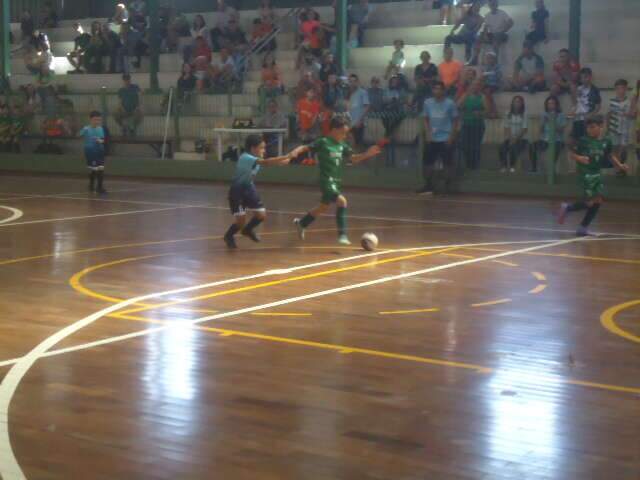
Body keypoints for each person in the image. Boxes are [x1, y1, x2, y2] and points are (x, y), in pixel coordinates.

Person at [294, 116, 383, 245]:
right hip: (326, 180)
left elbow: (353, 159)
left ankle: (302, 223)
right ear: (334, 130)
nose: (345, 135)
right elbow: (305, 148)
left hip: (336, 181)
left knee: (323, 207)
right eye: (343, 132)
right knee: (342, 202)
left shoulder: (342, 145)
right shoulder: (323, 142)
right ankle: (342, 235)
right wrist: (294, 152)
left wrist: (367, 154)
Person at [224, 135, 307, 249]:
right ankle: (228, 236)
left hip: (249, 188)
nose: (264, 150)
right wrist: (287, 155)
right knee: (240, 222)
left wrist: (289, 157)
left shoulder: (256, 158)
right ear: (253, 148)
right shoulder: (246, 157)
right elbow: (266, 162)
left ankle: (247, 230)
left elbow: (276, 162)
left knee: (261, 215)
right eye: (261, 148)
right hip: (237, 191)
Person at [557, 116, 629, 236]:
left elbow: (610, 156)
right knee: (592, 201)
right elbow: (571, 154)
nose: (590, 130)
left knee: (598, 201)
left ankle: (582, 226)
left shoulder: (606, 141)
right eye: (588, 128)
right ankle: (569, 209)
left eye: (593, 127)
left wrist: (620, 165)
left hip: (596, 173)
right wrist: (579, 158)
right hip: (586, 173)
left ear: (601, 126)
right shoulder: (583, 141)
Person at [418, 80, 460, 195]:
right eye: (435, 88)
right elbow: (425, 119)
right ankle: (428, 186)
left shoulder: (450, 103)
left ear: (444, 90)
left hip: (446, 138)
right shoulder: (427, 103)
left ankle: (447, 187)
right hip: (431, 138)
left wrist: (451, 137)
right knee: (427, 163)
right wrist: (428, 133)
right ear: (432, 90)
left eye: (439, 88)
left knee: (448, 164)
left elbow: (456, 121)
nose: (437, 91)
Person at [457, 77, 488, 170]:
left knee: (475, 147)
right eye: (473, 85)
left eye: (477, 85)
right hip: (466, 124)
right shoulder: (465, 95)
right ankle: (468, 165)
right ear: (470, 86)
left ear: (480, 87)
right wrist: (466, 95)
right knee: (464, 146)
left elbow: (488, 111)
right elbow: (458, 106)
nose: (475, 87)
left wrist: (480, 113)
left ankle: (475, 167)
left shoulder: (483, 97)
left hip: (478, 125)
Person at [531, 95, 566, 173]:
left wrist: (552, 121)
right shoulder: (544, 114)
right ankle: (534, 168)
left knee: (556, 148)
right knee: (532, 146)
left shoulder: (561, 115)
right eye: (549, 103)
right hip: (545, 140)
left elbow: (561, 131)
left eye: (552, 103)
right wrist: (543, 122)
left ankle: (551, 169)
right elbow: (541, 131)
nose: (550, 105)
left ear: (556, 105)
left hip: (557, 140)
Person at [473, 0, 513, 65]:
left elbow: (511, 22)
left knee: (496, 37)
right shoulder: (487, 15)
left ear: (497, 4)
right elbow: (486, 27)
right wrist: (484, 35)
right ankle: (475, 58)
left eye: (494, 3)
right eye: (491, 4)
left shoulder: (502, 13)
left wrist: (503, 30)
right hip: (492, 34)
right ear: (489, 5)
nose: (492, 5)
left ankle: (494, 62)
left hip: (501, 34)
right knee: (478, 37)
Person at [606, 79, 633, 173]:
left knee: (623, 148)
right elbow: (608, 115)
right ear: (615, 89)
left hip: (625, 129)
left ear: (626, 89)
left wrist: (630, 115)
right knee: (614, 148)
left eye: (622, 88)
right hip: (614, 129)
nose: (620, 90)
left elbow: (633, 115)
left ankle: (620, 166)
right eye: (618, 88)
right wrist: (607, 128)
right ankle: (617, 167)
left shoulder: (629, 102)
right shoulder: (612, 101)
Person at [79, 111, 107, 194]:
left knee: (101, 169)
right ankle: (91, 185)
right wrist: (83, 131)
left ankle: (99, 187)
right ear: (91, 120)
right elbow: (79, 135)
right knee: (94, 170)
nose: (97, 122)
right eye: (95, 120)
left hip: (100, 151)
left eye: (99, 120)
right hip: (90, 152)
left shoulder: (100, 128)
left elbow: (102, 139)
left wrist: (100, 141)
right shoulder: (86, 128)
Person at [570, 67, 601, 144]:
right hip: (578, 119)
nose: (584, 80)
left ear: (590, 77)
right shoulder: (578, 88)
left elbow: (598, 106)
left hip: (588, 120)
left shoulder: (595, 90)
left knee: (588, 141)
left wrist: (591, 115)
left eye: (586, 77)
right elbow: (575, 103)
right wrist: (574, 93)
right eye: (582, 78)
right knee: (576, 141)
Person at [500, 96, 528, 173]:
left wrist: (516, 139)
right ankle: (504, 166)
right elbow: (506, 127)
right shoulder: (508, 113)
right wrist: (511, 138)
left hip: (522, 139)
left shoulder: (524, 114)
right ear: (512, 103)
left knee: (514, 147)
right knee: (502, 147)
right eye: (515, 101)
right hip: (510, 138)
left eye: (519, 101)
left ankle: (512, 166)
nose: (517, 103)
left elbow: (524, 129)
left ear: (522, 103)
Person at [347, 74, 370, 149]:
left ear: (358, 82)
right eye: (350, 81)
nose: (352, 83)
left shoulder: (362, 92)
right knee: (350, 146)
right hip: (349, 123)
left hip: (358, 123)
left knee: (358, 146)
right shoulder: (348, 93)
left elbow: (367, 107)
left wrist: (360, 121)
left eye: (354, 81)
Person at [480, 51, 501, 117]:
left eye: (490, 58)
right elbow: (482, 76)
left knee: (487, 92)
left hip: (495, 84)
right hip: (486, 84)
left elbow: (498, 76)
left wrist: (488, 74)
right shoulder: (485, 67)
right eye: (487, 58)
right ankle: (492, 111)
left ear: (494, 59)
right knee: (480, 90)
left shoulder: (497, 67)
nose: (489, 60)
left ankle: (491, 111)